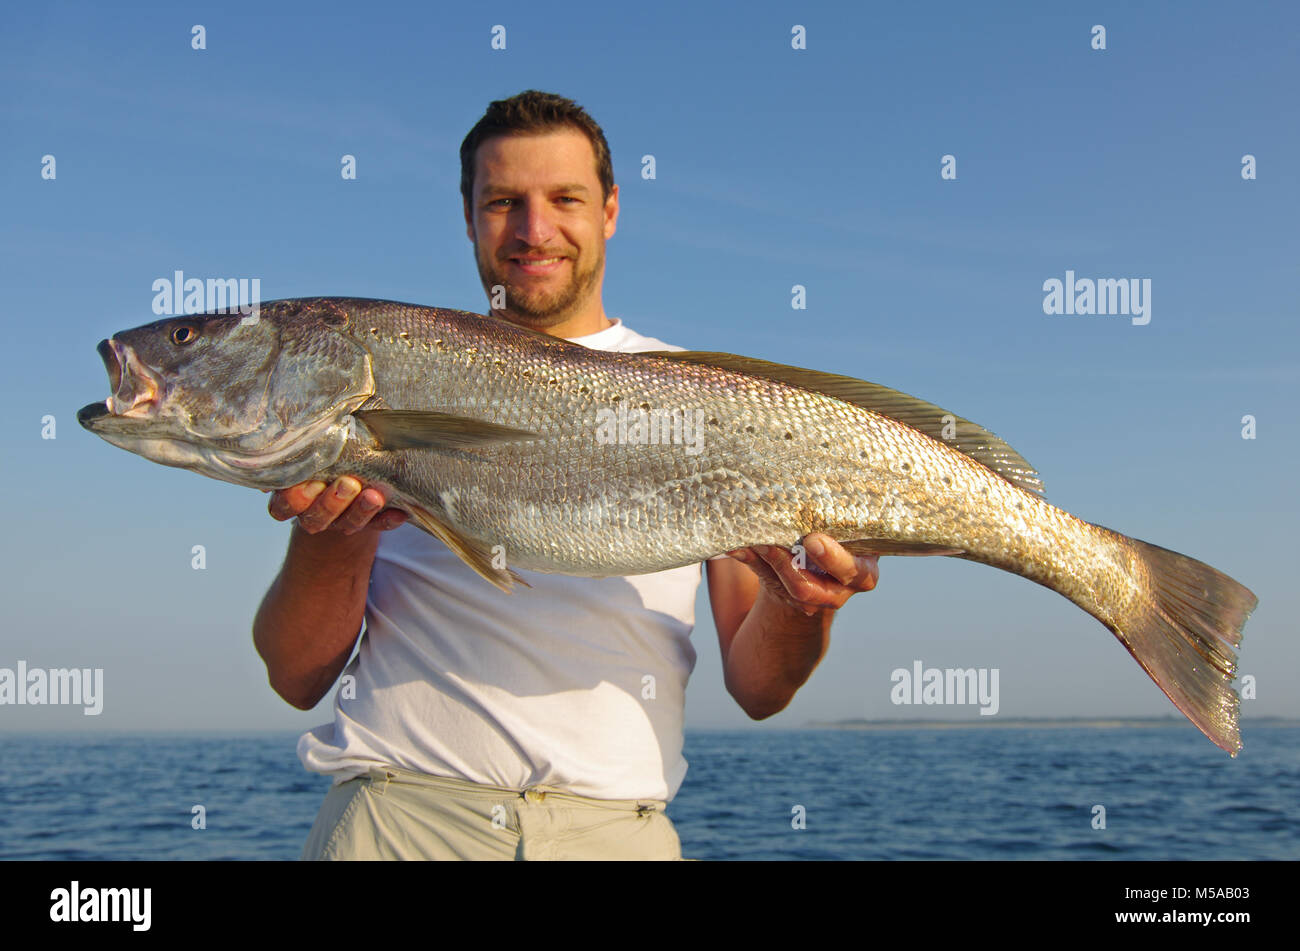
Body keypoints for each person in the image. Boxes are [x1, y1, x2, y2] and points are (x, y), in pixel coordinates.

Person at [253, 90, 880, 861]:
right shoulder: (391, 376)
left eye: (564, 199)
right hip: (401, 819)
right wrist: (332, 535)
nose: (534, 229)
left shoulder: (709, 402)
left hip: (615, 835)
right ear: (468, 214)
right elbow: (296, 674)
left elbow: (758, 687)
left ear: (610, 209)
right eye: (503, 202)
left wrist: (802, 604)